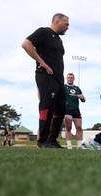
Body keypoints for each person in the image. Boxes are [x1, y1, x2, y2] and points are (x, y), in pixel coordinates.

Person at [21, 13, 69, 148]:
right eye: (66, 24)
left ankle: (52, 140)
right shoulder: (44, 32)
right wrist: (42, 62)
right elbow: (26, 44)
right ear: (57, 21)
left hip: (59, 79)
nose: (67, 27)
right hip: (46, 75)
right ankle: (42, 141)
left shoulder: (59, 40)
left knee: (60, 109)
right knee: (47, 107)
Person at [64, 73, 86, 149]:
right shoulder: (63, 87)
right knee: (68, 128)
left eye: (71, 78)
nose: (70, 79)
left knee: (79, 127)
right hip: (67, 110)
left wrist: (82, 97)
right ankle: (69, 145)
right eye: (69, 77)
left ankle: (79, 145)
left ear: (74, 79)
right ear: (66, 78)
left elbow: (83, 100)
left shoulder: (77, 88)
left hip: (76, 110)